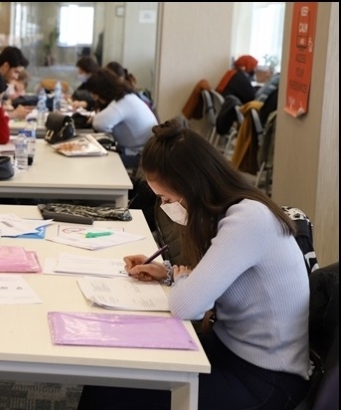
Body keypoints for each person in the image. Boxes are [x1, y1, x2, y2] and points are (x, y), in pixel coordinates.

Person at [78, 120, 311, 410]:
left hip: (265, 380)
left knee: (109, 393)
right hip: (230, 351)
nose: (165, 206)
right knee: (110, 375)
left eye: (167, 198)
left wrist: (184, 281)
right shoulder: (233, 212)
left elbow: (188, 306)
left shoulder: (248, 220)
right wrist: (168, 273)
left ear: (192, 186)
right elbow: (207, 281)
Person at [83, 68, 158, 169]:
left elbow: (99, 123)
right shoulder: (127, 96)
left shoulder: (121, 102)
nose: (94, 98)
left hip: (140, 157)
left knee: (97, 163)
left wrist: (96, 119)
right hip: (144, 151)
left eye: (94, 94)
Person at [0, 46, 31, 119]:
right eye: (16, 72)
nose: (16, 77)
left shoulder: (0, 83)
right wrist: (15, 114)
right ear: (6, 66)